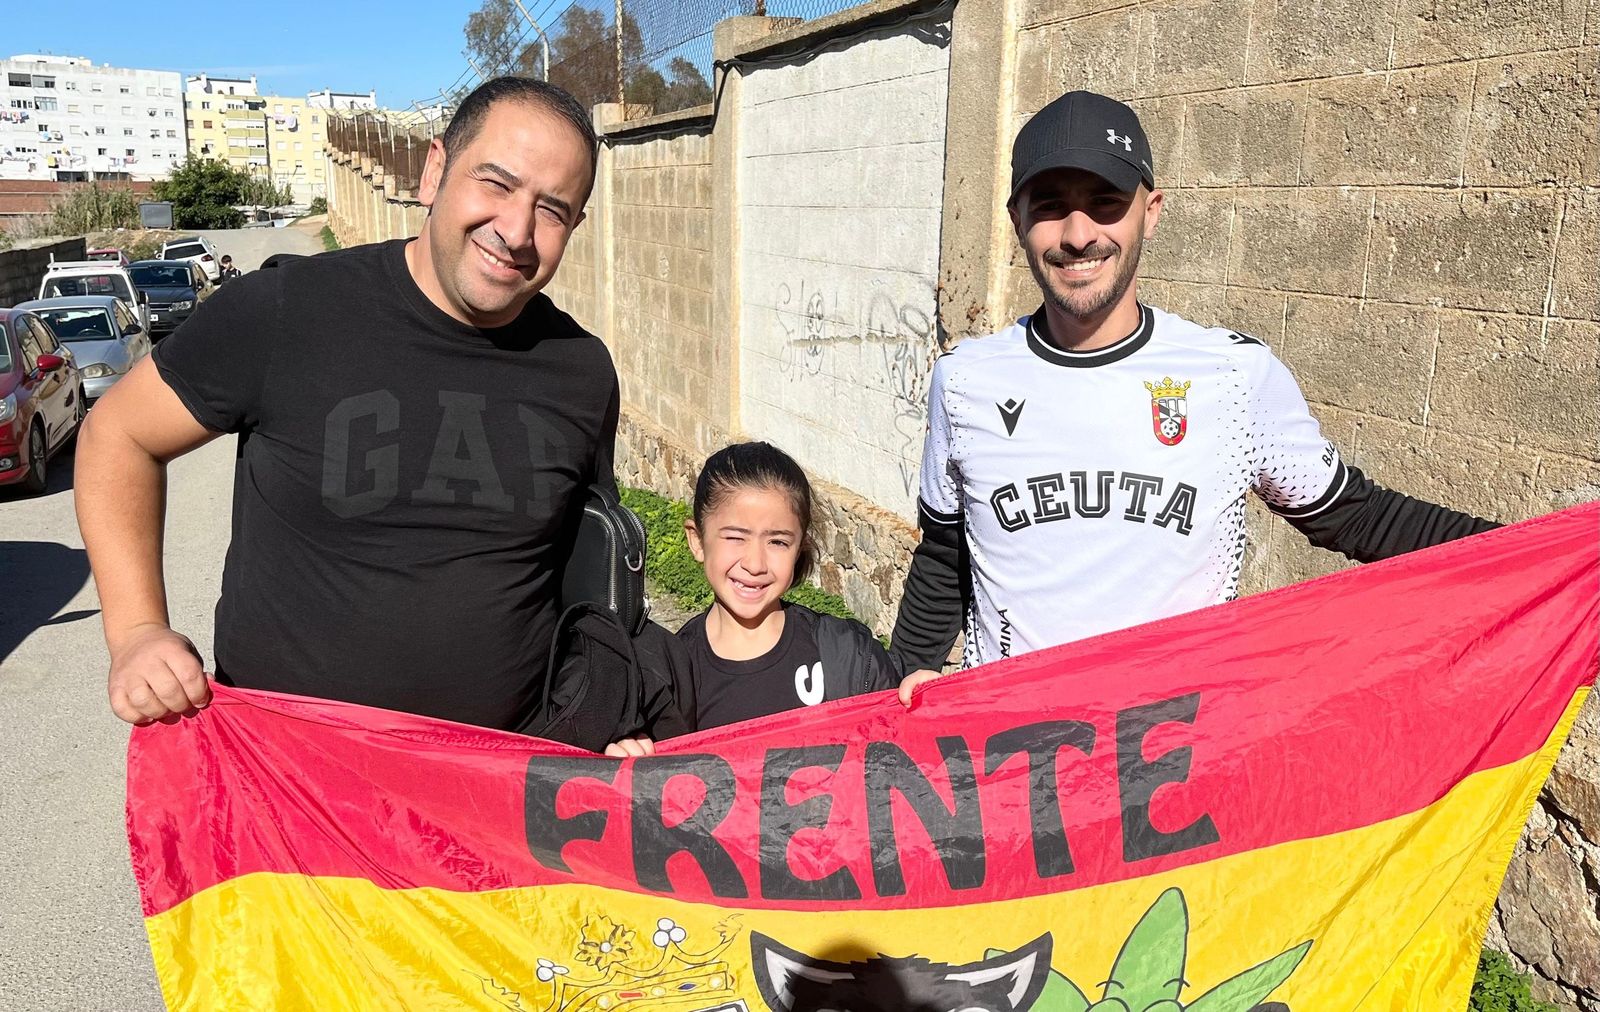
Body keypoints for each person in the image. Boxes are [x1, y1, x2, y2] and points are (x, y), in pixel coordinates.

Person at [890, 90, 1498, 685]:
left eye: (1105, 202)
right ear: (1016, 218)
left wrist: (1546, 552)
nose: (1078, 235)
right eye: (1049, 205)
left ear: (1150, 212)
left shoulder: (1234, 377)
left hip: (1179, 752)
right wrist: (891, 698)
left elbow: (1356, 517)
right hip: (1015, 753)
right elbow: (945, 557)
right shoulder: (964, 379)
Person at [76, 76, 618, 732]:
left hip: (488, 795)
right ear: (436, 171)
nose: (516, 229)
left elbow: (582, 570)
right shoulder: (286, 311)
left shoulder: (582, 373)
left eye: (553, 209)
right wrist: (136, 632)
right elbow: (119, 434)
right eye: (496, 184)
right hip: (288, 788)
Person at [606, 442, 914, 757]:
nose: (755, 564)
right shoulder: (668, 682)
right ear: (697, 540)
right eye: (735, 537)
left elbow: (905, 760)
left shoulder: (849, 659)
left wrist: (928, 705)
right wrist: (633, 757)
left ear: (799, 550)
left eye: (778, 541)